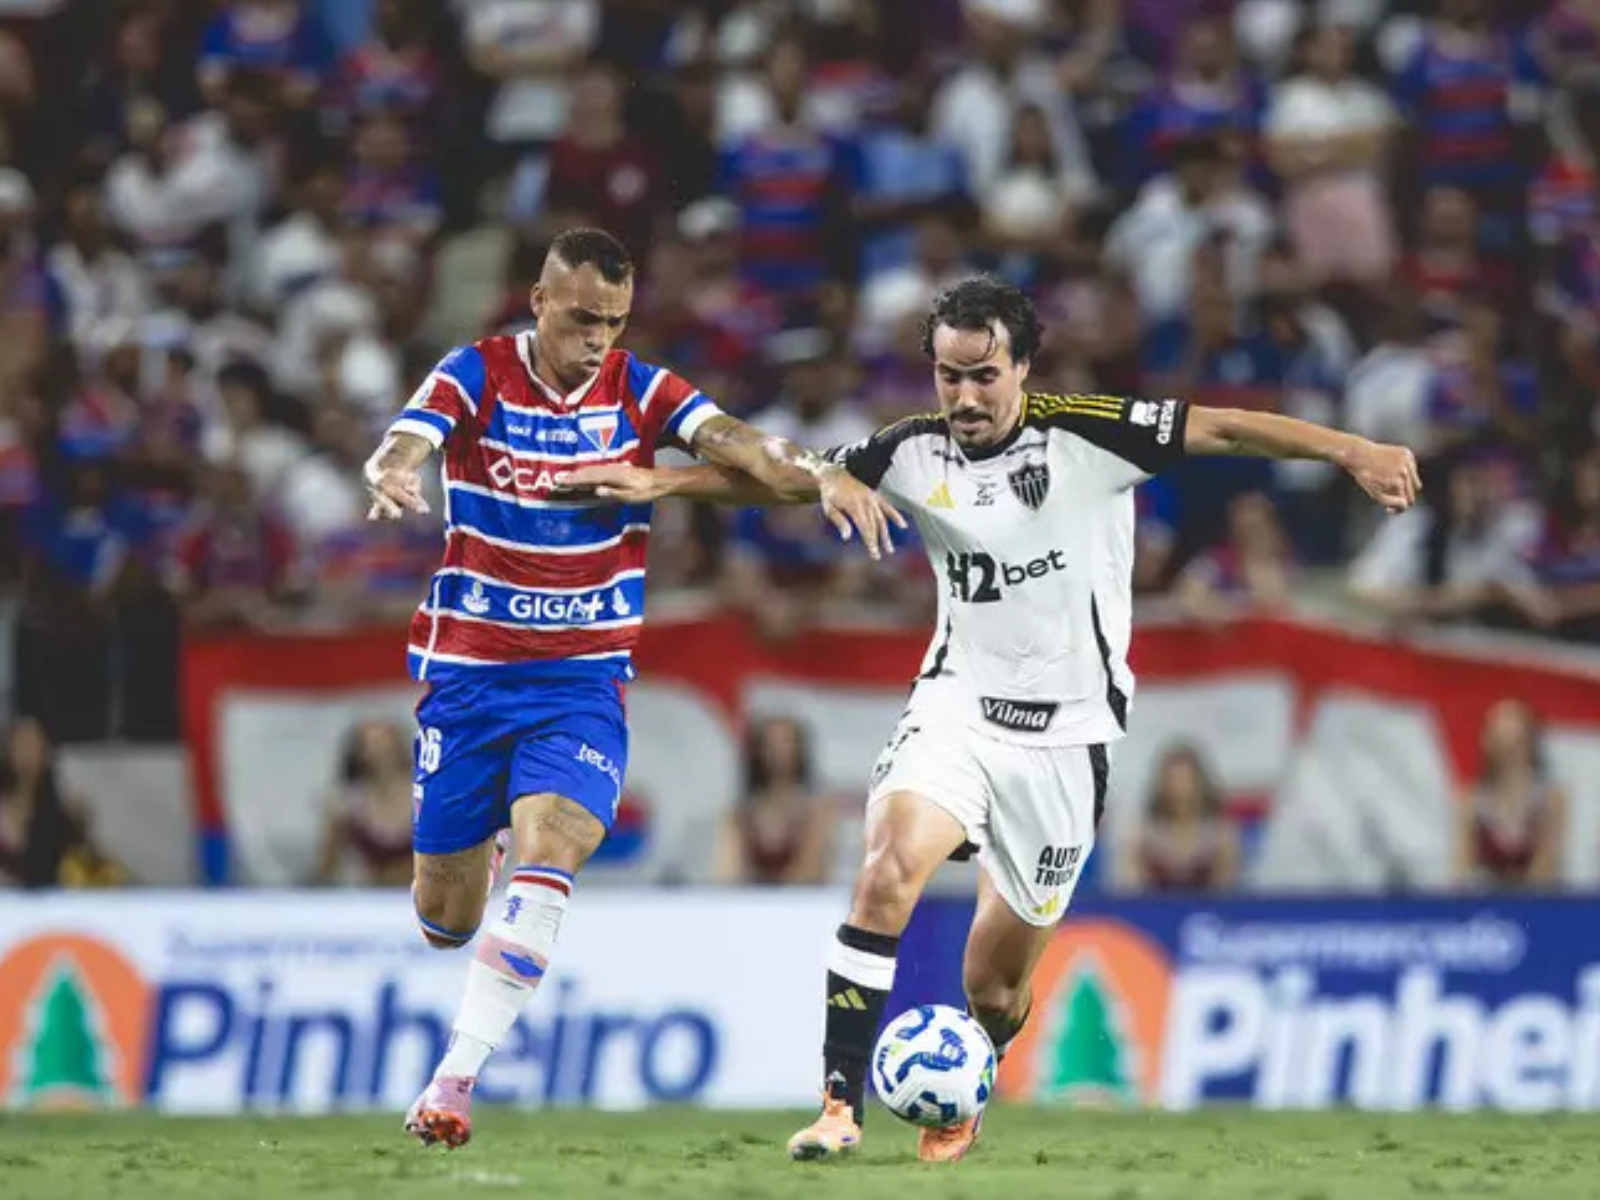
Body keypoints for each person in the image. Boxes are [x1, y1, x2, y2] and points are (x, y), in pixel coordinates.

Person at [561, 275, 1419, 1163]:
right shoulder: (912, 451)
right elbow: (785, 488)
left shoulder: (1090, 433)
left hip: (1066, 741)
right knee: (888, 870)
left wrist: (1353, 450)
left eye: (984, 376)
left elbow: (1230, 428)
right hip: (957, 709)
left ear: (1022, 367)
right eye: (948, 377)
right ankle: (837, 1104)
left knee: (996, 988)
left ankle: (970, 1079)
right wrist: (660, 484)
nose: (965, 398)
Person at [360, 227, 899, 1150]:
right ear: (538, 302)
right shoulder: (475, 371)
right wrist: (395, 472)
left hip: (581, 681)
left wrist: (810, 476)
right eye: (580, 319)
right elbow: (404, 442)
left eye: (613, 320)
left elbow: (749, 455)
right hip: (469, 678)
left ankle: (453, 1082)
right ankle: (481, 860)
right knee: (445, 920)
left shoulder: (643, 391)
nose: (598, 338)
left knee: (553, 851)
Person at [1454, 698, 1567, 891]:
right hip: (1485, 904)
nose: (1510, 743)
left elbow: (1547, 866)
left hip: (1537, 903)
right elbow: (1460, 871)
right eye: (1501, 734)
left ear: (1530, 741)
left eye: (1517, 736)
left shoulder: (1552, 799)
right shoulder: (1471, 798)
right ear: (1487, 741)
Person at [712, 715, 836, 885]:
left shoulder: (817, 811)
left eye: (785, 743)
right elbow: (727, 874)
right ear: (757, 751)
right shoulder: (741, 816)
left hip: (802, 905)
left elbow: (810, 871)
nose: (777, 752)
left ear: (799, 749)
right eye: (769, 744)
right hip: (752, 904)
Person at [1117, 742, 1239, 892]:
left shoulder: (1220, 833)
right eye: (1173, 780)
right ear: (1162, 784)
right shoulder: (1143, 834)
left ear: (1200, 784)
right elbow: (1132, 891)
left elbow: (1227, 893)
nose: (1180, 789)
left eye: (1187, 780)